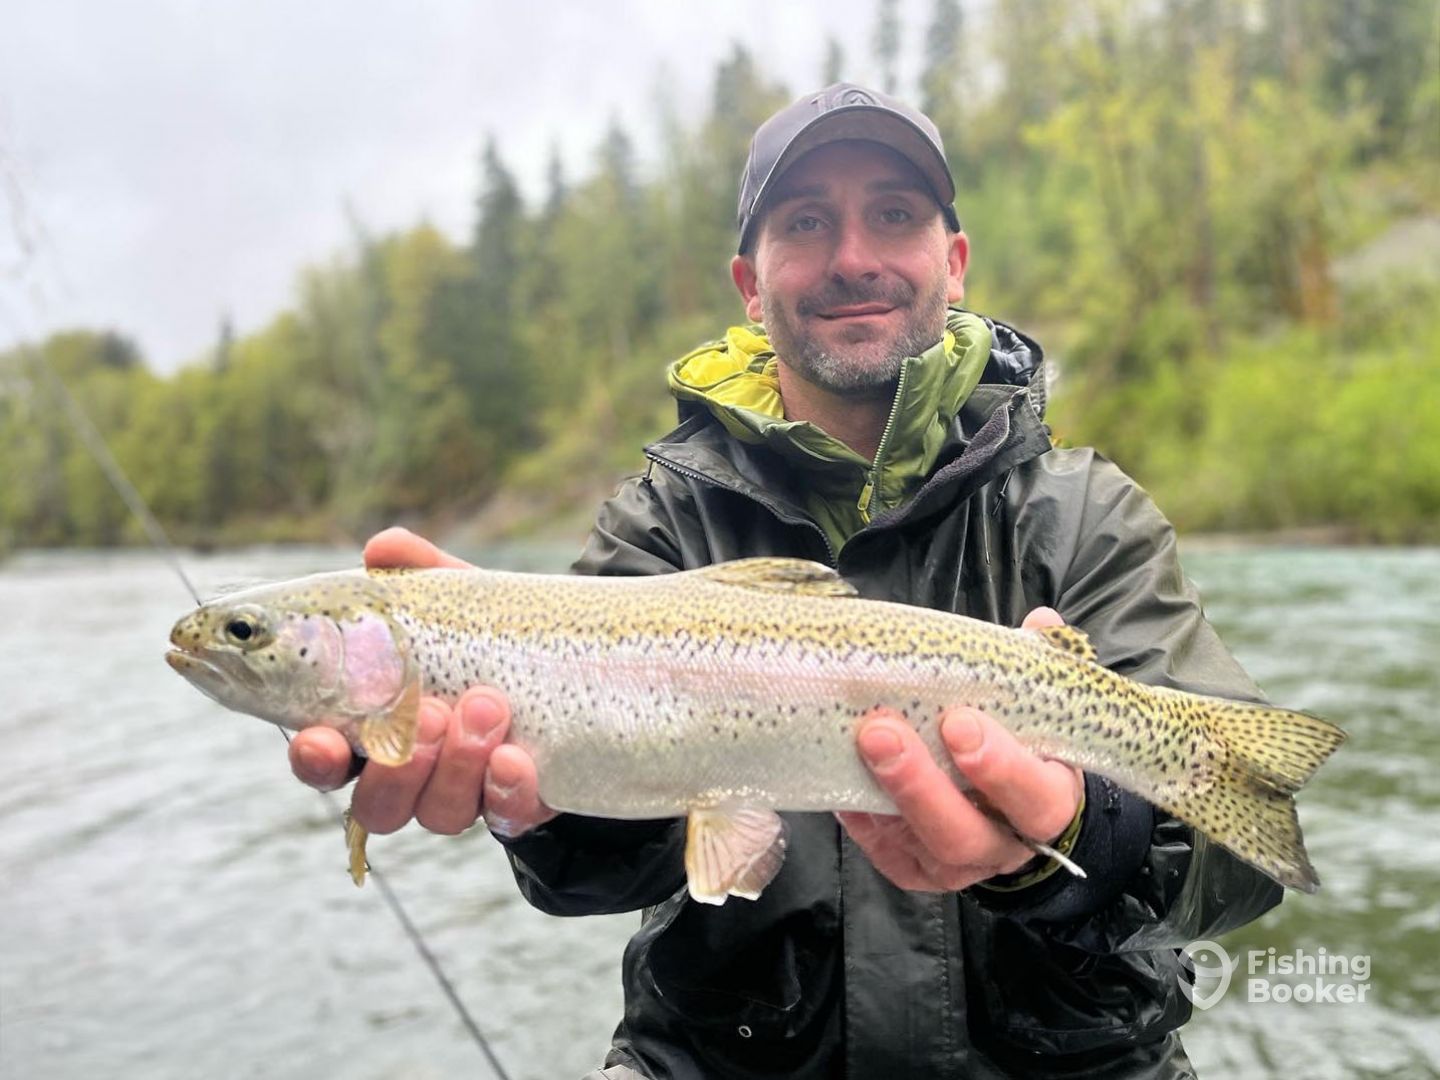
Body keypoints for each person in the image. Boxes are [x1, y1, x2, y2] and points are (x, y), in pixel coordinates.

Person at [291, 84, 1284, 1078]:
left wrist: (1073, 834)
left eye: (893, 214)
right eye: (806, 223)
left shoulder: (1085, 515)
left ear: (955, 260)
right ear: (749, 285)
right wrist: (540, 803)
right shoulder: (657, 525)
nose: (852, 255)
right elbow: (597, 871)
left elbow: (1244, 853)